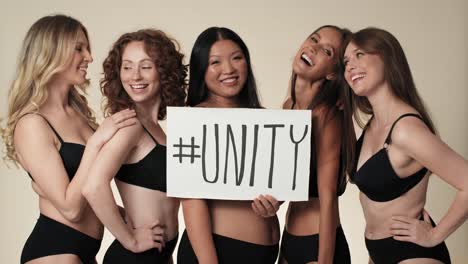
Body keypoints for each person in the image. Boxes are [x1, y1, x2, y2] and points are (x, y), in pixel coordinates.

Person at [1, 14, 137, 264]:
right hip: (54, 251)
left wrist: (128, 219)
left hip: (85, 252)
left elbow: (89, 190)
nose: (89, 57)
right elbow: (71, 208)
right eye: (78, 49)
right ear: (50, 54)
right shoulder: (32, 123)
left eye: (87, 48)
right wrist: (97, 143)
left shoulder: (80, 115)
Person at [342, 27, 468, 264]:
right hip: (377, 252)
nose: (349, 66)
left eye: (360, 55)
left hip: (413, 254)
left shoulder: (406, 130)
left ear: (387, 58)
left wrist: (434, 235)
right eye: (346, 61)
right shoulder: (373, 125)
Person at [82, 29, 187, 263]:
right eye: (127, 67)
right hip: (134, 257)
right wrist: (131, 240)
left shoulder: (156, 129)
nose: (135, 76)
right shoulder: (130, 125)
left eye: (146, 66)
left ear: (164, 71)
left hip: (160, 254)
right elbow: (93, 187)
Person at [177, 27, 279, 264]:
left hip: (264, 254)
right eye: (215, 62)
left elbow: (274, 181)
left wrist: (275, 202)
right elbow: (191, 201)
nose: (229, 69)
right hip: (218, 253)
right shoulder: (193, 119)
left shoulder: (264, 120)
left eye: (237, 58)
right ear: (201, 70)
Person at [254, 25, 353, 264]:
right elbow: (292, 181)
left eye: (327, 51)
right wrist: (273, 203)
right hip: (289, 240)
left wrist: (325, 260)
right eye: (314, 39)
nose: (314, 48)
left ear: (332, 73)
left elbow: (327, 197)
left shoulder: (328, 116)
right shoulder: (288, 107)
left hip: (319, 244)